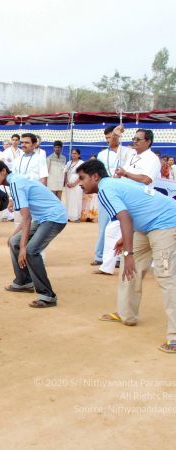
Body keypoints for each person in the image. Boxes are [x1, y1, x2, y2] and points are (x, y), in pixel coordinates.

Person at [76, 159, 176, 353]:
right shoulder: (112, 183)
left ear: (95, 177)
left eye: (82, 178)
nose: (80, 183)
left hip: (166, 223)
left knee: (166, 277)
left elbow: (125, 217)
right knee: (129, 269)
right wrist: (125, 239)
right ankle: (126, 314)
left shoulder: (105, 189)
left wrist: (129, 253)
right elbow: (134, 209)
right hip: (146, 226)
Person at [0, 160, 67, 308]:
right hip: (42, 218)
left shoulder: (16, 183)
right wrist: (14, 236)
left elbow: (26, 217)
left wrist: (24, 247)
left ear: (4, 171)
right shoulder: (15, 182)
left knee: (31, 251)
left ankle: (47, 296)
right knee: (14, 242)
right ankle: (24, 281)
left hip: (54, 217)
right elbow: (27, 216)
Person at [96, 127, 161, 276]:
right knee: (112, 230)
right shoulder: (130, 154)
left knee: (147, 235)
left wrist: (126, 173)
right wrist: (116, 135)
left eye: (138, 139)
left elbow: (146, 179)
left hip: (141, 201)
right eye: (134, 139)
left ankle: (154, 266)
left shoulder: (152, 159)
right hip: (125, 199)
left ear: (148, 141)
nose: (135, 142)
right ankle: (107, 266)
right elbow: (113, 145)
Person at [92, 125, 133, 266]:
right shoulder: (102, 154)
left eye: (111, 137)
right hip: (107, 191)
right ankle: (100, 255)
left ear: (118, 136)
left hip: (123, 192)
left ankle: (118, 258)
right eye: (107, 138)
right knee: (104, 226)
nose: (109, 140)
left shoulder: (128, 152)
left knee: (121, 225)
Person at [63, 149, 84, 222]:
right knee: (69, 200)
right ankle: (69, 216)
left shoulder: (81, 163)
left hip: (77, 185)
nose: (73, 155)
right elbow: (65, 173)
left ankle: (77, 217)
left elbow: (82, 175)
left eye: (75, 153)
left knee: (77, 199)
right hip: (68, 185)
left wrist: (74, 184)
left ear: (79, 155)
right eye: (72, 153)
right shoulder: (69, 163)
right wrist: (67, 182)